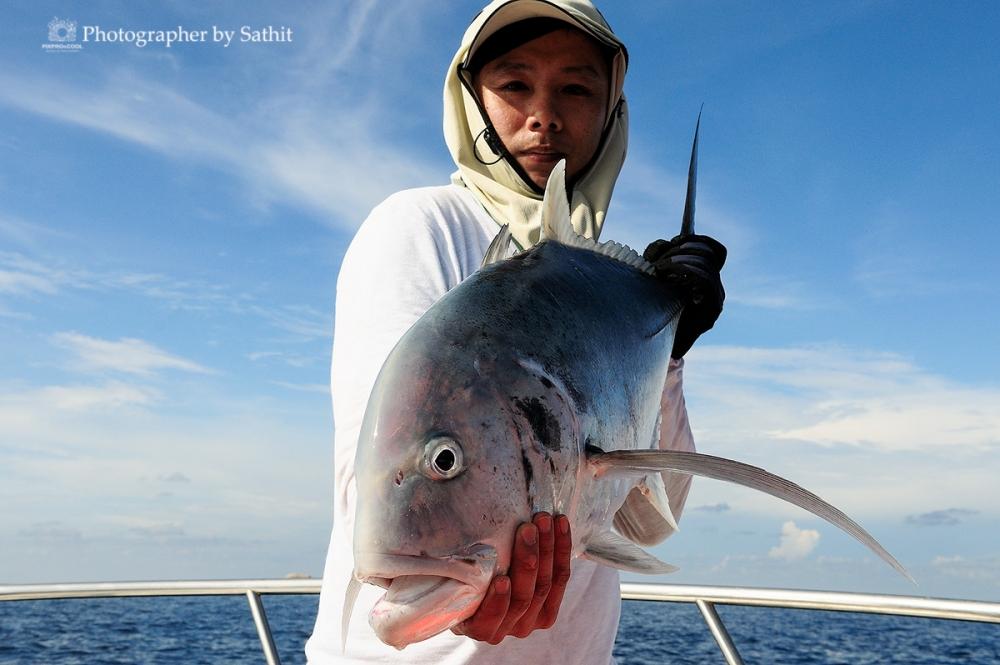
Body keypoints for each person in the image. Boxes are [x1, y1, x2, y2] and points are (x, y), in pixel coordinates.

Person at [305, 1, 726, 663]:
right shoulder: (420, 228)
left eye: (577, 89)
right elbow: (393, 464)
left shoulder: (607, 300)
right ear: (471, 100)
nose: (543, 116)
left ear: (611, 109)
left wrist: (668, 349)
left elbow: (649, 521)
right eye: (514, 84)